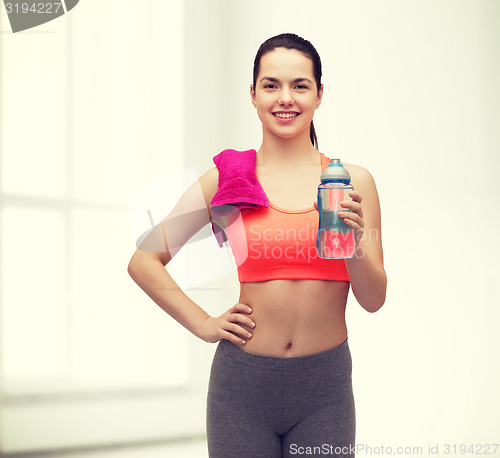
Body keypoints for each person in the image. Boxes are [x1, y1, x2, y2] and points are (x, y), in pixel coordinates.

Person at [128, 33, 386, 458]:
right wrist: (204, 323)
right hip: (242, 387)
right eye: (271, 85)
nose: (285, 98)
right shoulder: (229, 178)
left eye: (300, 85)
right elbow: (144, 260)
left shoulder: (352, 183)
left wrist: (356, 243)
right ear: (253, 94)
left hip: (325, 389)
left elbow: (373, 300)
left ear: (319, 95)